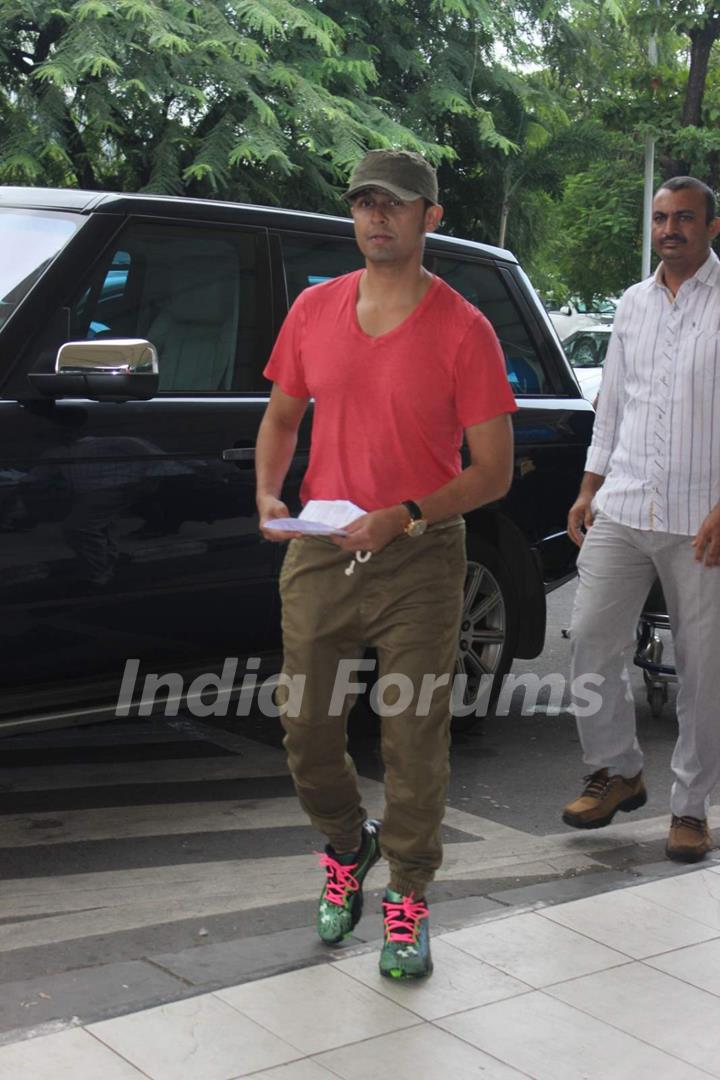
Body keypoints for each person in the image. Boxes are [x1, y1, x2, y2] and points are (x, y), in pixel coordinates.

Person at [255, 149, 516, 979]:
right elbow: (282, 417)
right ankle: (346, 844)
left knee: (412, 738)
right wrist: (269, 493)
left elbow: (493, 472)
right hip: (322, 549)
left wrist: (404, 514)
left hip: (419, 557)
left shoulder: (464, 329)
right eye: (366, 202)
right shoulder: (314, 311)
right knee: (306, 727)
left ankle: (407, 895)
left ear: (429, 218)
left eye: (395, 205)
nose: (377, 217)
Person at [563, 176, 720, 863]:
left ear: (712, 226)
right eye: (660, 217)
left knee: (703, 667)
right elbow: (613, 407)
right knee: (590, 638)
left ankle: (690, 807)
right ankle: (619, 771)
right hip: (623, 504)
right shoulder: (631, 305)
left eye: (685, 217)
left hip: (702, 518)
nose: (670, 229)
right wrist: (588, 486)